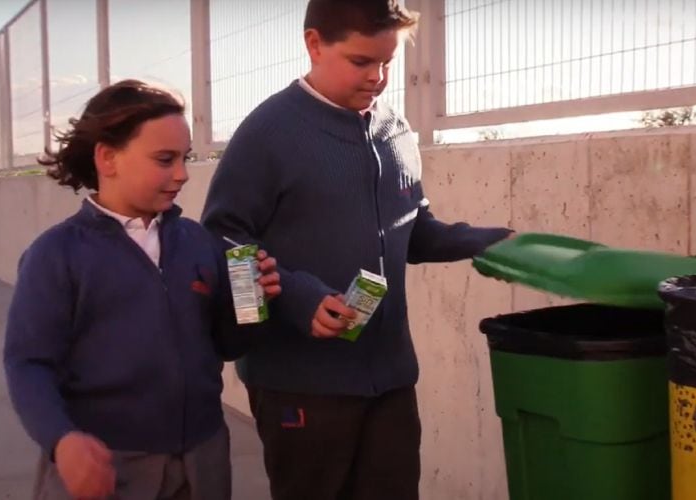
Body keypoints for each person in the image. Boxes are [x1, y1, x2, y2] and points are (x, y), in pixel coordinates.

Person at [201, 1, 513, 499]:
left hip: (390, 380)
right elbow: (223, 240)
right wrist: (296, 298)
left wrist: (498, 242)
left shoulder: (398, 132)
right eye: (361, 62)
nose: (378, 77)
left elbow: (416, 231)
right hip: (298, 382)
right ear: (314, 44)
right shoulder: (266, 133)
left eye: (388, 62)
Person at [3, 79, 280, 500]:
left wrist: (253, 305)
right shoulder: (55, 255)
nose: (183, 174)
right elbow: (28, 364)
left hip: (203, 459)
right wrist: (62, 440)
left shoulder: (198, 242)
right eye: (165, 159)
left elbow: (227, 345)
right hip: (107, 465)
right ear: (108, 157)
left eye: (184, 158)